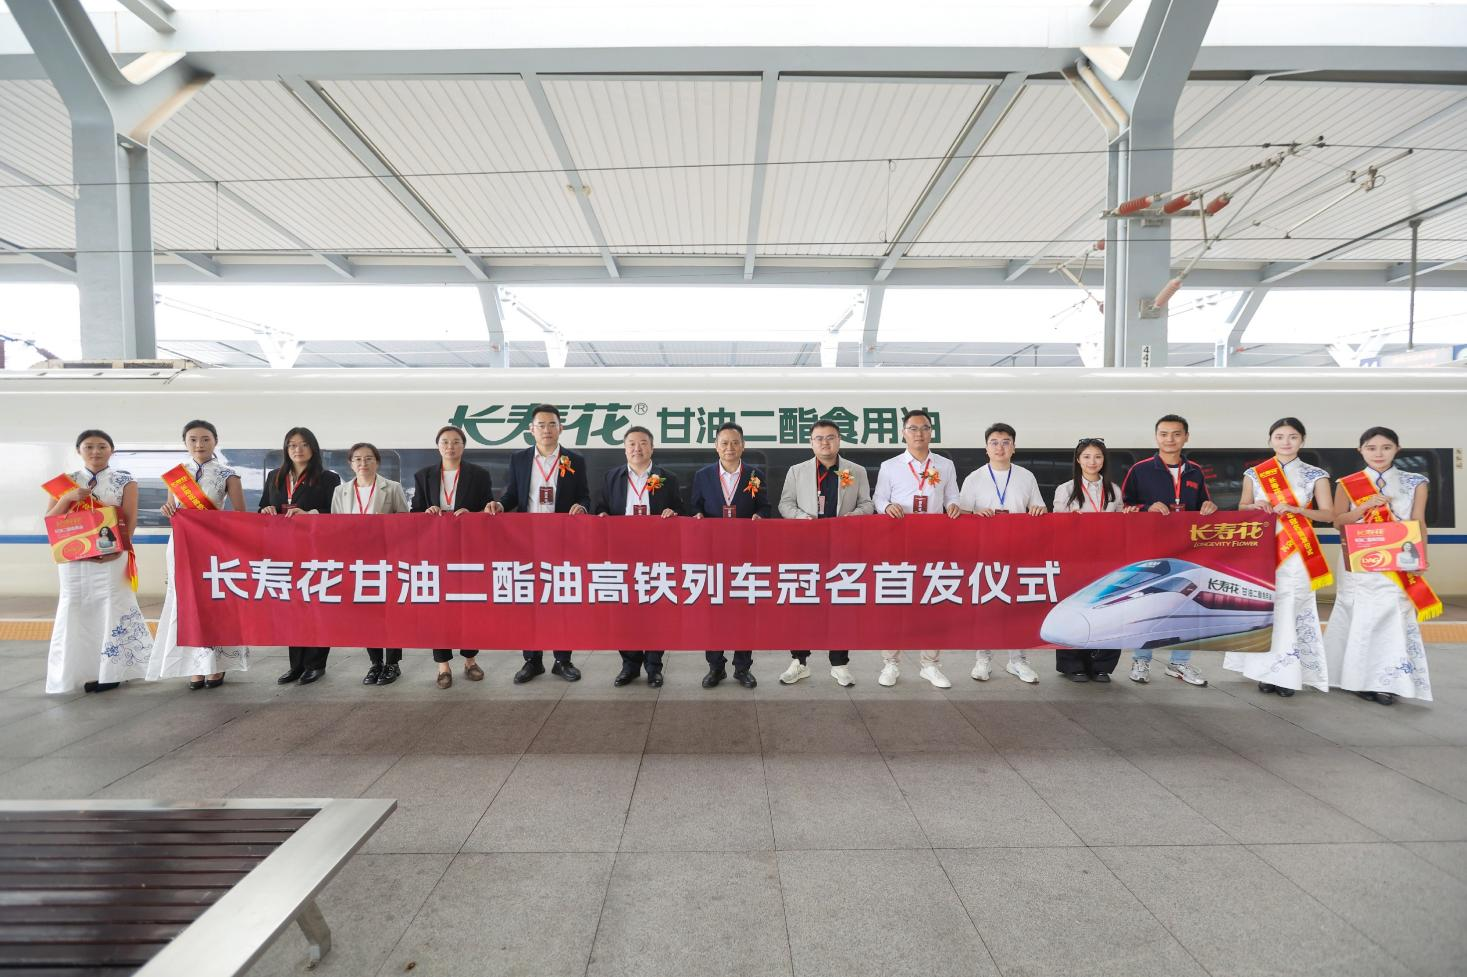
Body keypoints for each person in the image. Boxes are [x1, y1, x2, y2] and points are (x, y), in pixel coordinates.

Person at [1222, 418, 1333, 698]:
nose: (1286, 442)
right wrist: (1255, 505)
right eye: (1280, 436)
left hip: (1297, 552)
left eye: (1293, 437)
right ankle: (1265, 672)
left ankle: (1287, 675)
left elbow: (1328, 514)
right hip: (1263, 549)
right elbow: (1242, 507)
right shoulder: (1255, 474)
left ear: (1302, 440)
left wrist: (1298, 510)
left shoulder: (1316, 475)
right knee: (1265, 608)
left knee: (1292, 607)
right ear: (1270, 440)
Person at [1325, 426, 1435, 706]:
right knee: (1361, 617)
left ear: (1397, 449)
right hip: (1359, 561)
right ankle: (1359, 680)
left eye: (1386, 447)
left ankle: (1388, 680)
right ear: (1360, 450)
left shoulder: (1416, 482)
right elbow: (1338, 521)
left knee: (1394, 617)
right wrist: (1364, 507)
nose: (1378, 453)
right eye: (1371, 448)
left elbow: (1419, 521)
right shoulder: (1348, 483)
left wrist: (1421, 557)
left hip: (1399, 559)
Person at [42, 429, 152, 694]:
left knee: (113, 606)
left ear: (112, 450)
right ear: (78, 451)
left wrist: (118, 550)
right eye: (89, 446)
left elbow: (130, 519)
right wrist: (67, 498)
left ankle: (113, 671)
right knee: (75, 607)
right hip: (74, 560)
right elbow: (50, 520)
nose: (95, 451)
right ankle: (80, 671)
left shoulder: (126, 481)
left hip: (112, 558)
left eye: (102, 446)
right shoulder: (66, 482)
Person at [487, 404, 591, 684]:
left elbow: (585, 496)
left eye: (552, 424)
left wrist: (582, 507)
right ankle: (532, 661)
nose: (547, 430)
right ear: (531, 430)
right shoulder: (519, 459)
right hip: (527, 541)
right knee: (529, 601)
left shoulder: (574, 460)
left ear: (561, 428)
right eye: (541, 425)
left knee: (561, 599)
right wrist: (500, 504)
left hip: (562, 541)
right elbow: (513, 495)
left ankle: (562, 660)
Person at [146, 419, 249, 689]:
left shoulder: (228, 475)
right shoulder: (176, 476)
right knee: (184, 600)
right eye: (192, 439)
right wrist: (167, 510)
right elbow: (172, 509)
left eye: (205, 439)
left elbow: (240, 515)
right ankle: (192, 665)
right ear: (185, 443)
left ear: (215, 441)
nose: (199, 444)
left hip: (214, 547)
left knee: (214, 599)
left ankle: (215, 665)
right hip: (182, 545)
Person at [1119, 414, 1217, 687]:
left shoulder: (1195, 471)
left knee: (1188, 603)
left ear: (1186, 437)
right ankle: (1141, 660)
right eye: (1164, 434)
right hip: (1150, 551)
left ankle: (1179, 663)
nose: (1170, 439)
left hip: (1187, 551)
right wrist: (1145, 508)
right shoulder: (1139, 470)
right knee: (1147, 604)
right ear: (1156, 437)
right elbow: (1124, 506)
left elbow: (1205, 504)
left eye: (1176, 434)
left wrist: (1209, 506)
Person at [776, 419, 876, 687]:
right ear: (811, 443)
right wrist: (801, 518)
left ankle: (839, 664)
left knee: (841, 605)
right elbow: (785, 504)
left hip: (843, 548)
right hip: (806, 549)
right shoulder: (797, 471)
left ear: (839, 440)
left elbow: (868, 504)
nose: (825, 442)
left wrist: (853, 517)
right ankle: (799, 662)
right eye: (819, 438)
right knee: (802, 604)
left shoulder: (856, 471)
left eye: (830, 437)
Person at [872, 408, 960, 688]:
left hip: (934, 543)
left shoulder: (945, 465)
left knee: (933, 602)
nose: (919, 433)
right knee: (894, 602)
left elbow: (952, 495)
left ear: (931, 432)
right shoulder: (890, 466)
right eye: (913, 428)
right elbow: (878, 498)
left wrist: (953, 505)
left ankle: (930, 664)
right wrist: (887, 506)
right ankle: (890, 663)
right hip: (898, 543)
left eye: (924, 428)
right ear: (903, 433)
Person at [958, 423, 1047, 684]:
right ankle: (983, 659)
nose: (1000, 447)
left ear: (1014, 447)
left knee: (1018, 607)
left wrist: (1037, 510)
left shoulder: (1026, 476)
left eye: (1006, 442)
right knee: (986, 606)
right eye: (994, 442)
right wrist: (975, 514)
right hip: (984, 552)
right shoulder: (974, 478)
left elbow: (1039, 507)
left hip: (1019, 552)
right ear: (986, 448)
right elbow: (961, 514)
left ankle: (1017, 660)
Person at [596, 425, 682, 687]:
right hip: (622, 553)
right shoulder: (612, 477)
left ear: (652, 448)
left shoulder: (668, 478)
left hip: (657, 554)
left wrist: (673, 513)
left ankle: (654, 667)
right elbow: (602, 506)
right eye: (631, 443)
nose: (637, 448)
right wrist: (601, 515)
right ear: (625, 449)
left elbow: (681, 509)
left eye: (643, 443)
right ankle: (629, 665)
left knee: (655, 609)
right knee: (625, 610)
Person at [689, 421, 770, 689]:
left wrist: (760, 516)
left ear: (743, 446)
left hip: (745, 554)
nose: (730, 448)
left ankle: (742, 668)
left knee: (744, 610)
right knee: (713, 611)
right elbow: (694, 507)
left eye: (735, 443)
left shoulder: (755, 474)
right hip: (712, 554)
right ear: (716, 446)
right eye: (724, 443)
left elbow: (765, 506)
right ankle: (716, 667)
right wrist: (697, 516)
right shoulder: (703, 475)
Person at [412, 425, 494, 689]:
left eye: (456, 441)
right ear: (438, 446)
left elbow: (489, 509)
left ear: (463, 446)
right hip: (435, 551)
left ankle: (470, 660)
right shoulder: (423, 475)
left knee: (469, 604)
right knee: (439, 606)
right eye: (445, 442)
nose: (450, 446)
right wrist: (427, 511)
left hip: (468, 550)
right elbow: (415, 512)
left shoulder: (479, 475)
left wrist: (472, 514)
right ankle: (443, 666)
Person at [260, 427, 341, 686]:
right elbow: (262, 506)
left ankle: (316, 664)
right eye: (292, 445)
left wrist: (310, 515)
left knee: (317, 605)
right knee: (292, 606)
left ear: (313, 448)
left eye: (304, 444)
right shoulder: (274, 476)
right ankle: (296, 665)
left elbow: (335, 513)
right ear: (286, 449)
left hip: (316, 551)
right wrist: (267, 509)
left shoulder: (328, 478)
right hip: (284, 552)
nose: (298, 449)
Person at [331, 441, 411, 686]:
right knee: (367, 613)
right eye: (357, 459)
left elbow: (405, 522)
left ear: (377, 462)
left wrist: (386, 526)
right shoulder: (341, 491)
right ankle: (375, 663)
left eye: (368, 458)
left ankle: (392, 663)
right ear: (350, 464)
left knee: (391, 612)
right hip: (357, 562)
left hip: (387, 559)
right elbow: (334, 526)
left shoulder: (392, 487)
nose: (363, 463)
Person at [1050, 437, 1124, 682]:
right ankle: (1072, 664)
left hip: (1107, 559)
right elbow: (1055, 524)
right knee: (1074, 608)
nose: (1093, 462)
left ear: (1104, 460)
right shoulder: (1065, 489)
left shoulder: (1114, 490)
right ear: (1078, 460)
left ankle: (1102, 665)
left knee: (1108, 609)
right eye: (1087, 457)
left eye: (1098, 457)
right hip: (1075, 558)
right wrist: (1070, 520)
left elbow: (1122, 524)